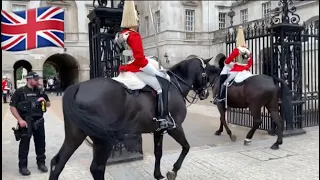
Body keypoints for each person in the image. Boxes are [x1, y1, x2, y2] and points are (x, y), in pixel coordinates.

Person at [115, 0, 175, 131]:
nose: (138, 20)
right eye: (136, 17)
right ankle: (163, 118)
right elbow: (140, 61)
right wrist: (156, 73)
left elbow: (129, 54)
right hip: (136, 67)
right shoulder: (134, 36)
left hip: (127, 66)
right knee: (162, 84)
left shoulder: (121, 35)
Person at [9, 72, 50, 176]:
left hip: (39, 121)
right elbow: (12, 107)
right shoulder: (20, 92)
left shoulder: (40, 91)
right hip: (26, 122)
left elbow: (48, 104)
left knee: (41, 144)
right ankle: (23, 167)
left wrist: (44, 101)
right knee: (24, 145)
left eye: (38, 79)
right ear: (29, 79)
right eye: (35, 79)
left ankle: (41, 163)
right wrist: (19, 120)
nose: (37, 81)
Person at [214, 26, 253, 103]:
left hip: (237, 71)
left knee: (225, 83)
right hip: (246, 72)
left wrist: (233, 63)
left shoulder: (237, 50)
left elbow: (228, 60)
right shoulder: (248, 51)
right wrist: (245, 67)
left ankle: (221, 98)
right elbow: (250, 63)